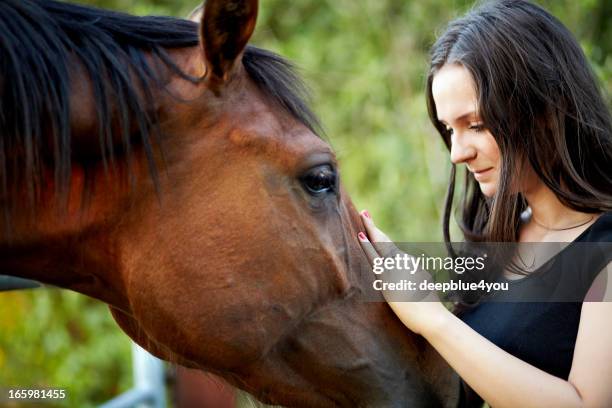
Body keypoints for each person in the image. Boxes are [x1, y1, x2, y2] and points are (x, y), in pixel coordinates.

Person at [357, 0, 612, 406]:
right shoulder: (498, 235)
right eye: (448, 129)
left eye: (475, 125)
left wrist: (433, 319)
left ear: (546, 108)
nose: (457, 152)